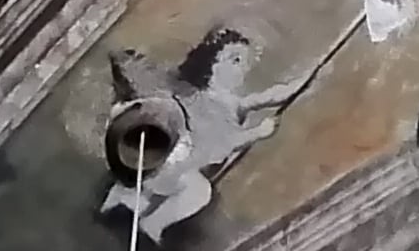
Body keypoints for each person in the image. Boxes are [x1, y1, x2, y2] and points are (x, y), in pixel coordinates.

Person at [100, 28, 313, 239]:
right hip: (173, 167)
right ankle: (151, 223)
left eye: (245, 62)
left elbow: (272, 95)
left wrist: (306, 79)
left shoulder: (236, 104)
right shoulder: (200, 102)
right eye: (235, 60)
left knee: (171, 188)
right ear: (211, 64)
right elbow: (222, 143)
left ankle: (131, 205)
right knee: (198, 191)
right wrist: (257, 132)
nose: (243, 67)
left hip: (181, 169)